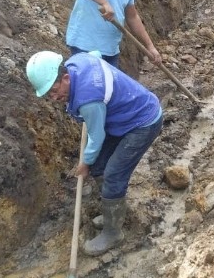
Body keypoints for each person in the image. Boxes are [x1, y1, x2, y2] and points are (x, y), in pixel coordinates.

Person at [26, 49, 163, 255]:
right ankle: (112, 213)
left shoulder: (88, 100)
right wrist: (92, 162)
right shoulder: (77, 62)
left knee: (113, 174)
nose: (54, 98)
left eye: (54, 91)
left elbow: (96, 136)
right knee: (100, 165)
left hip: (142, 122)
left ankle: (113, 233)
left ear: (65, 77)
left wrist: (85, 162)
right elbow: (96, 54)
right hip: (121, 118)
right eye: (48, 95)